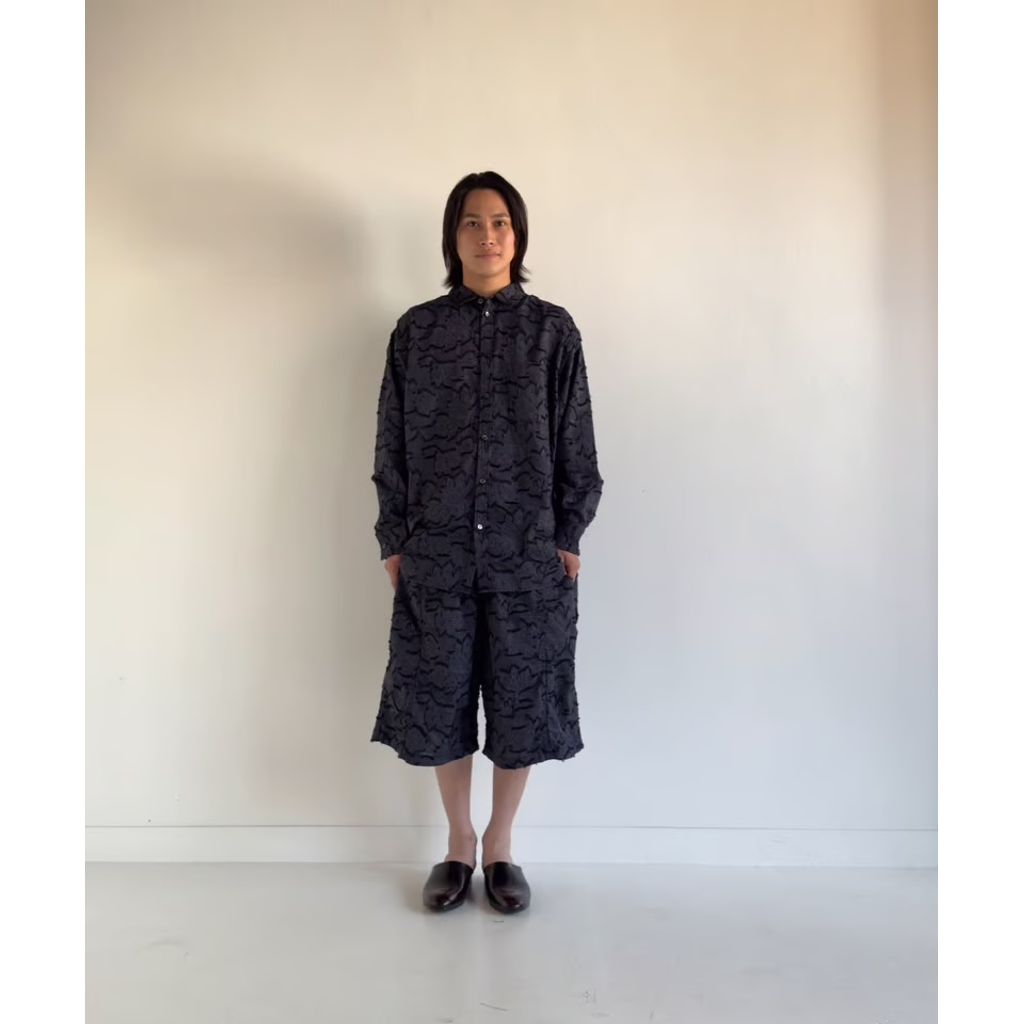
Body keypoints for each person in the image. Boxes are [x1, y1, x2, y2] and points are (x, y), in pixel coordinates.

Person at [369, 170, 603, 913]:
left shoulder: (552, 332)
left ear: (518, 235)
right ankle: (457, 843)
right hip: (436, 549)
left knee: (520, 702)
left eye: (500, 222)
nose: (487, 235)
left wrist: (568, 534)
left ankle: (500, 845)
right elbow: (391, 441)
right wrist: (394, 537)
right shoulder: (417, 332)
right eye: (472, 222)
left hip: (527, 552)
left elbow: (576, 440)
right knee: (438, 698)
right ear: (453, 237)